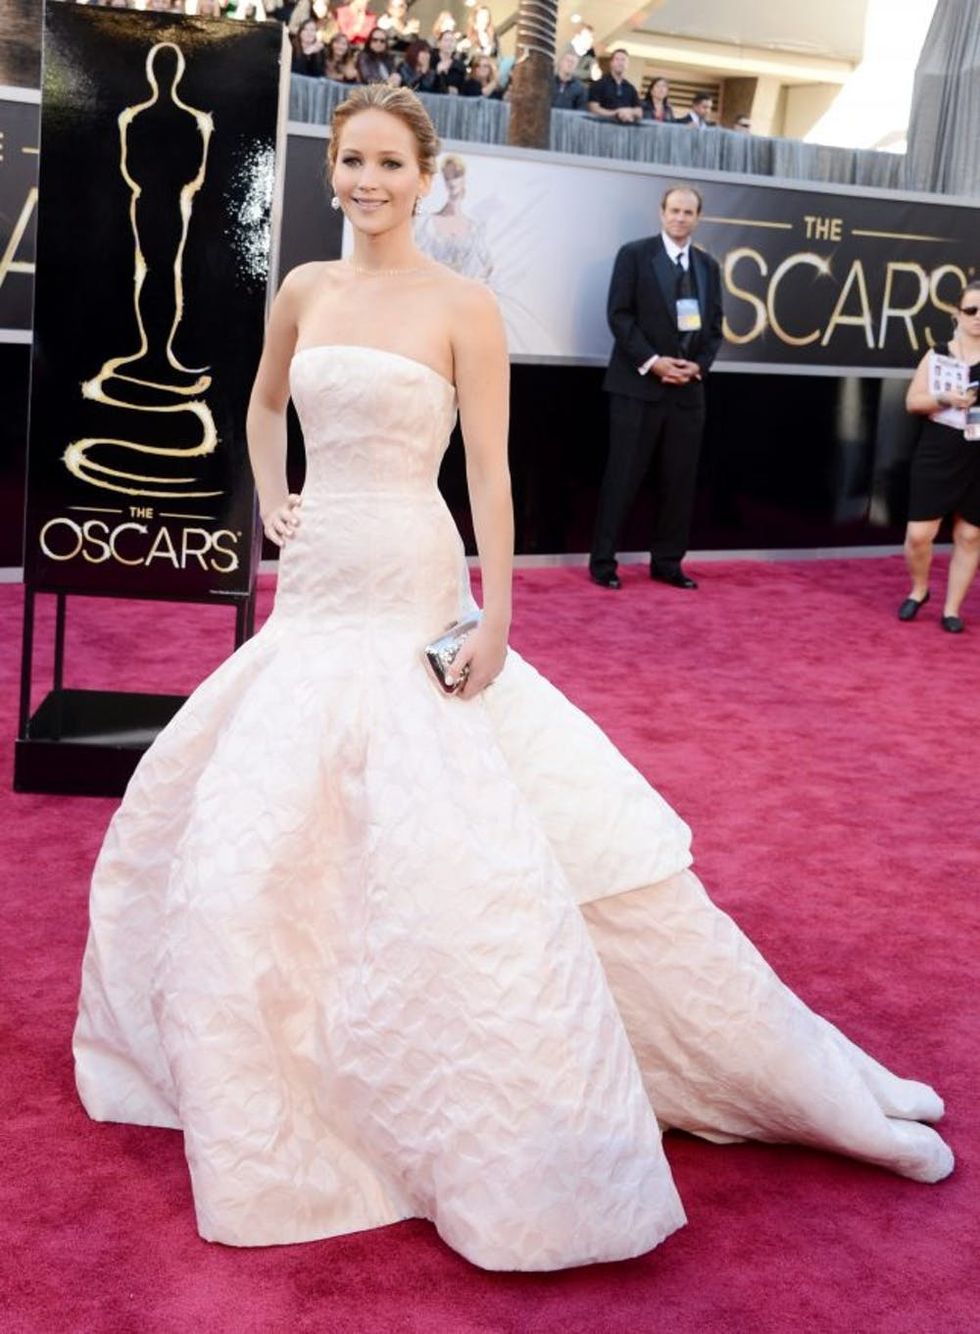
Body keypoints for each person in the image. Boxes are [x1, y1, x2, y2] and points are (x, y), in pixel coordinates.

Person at [74, 85, 953, 1275]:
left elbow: (488, 472)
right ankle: (321, 1073)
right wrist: (271, 496)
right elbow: (266, 396)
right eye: (350, 161)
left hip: (415, 586)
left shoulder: (461, 304)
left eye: (388, 162)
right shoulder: (304, 290)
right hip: (318, 590)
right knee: (268, 833)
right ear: (328, 171)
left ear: (425, 174)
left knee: (493, 844)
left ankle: (804, 1077)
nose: (367, 181)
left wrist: (497, 613)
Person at [590, 184, 722, 590]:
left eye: (688, 212)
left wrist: (694, 367)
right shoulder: (634, 255)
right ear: (661, 213)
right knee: (623, 476)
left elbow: (715, 328)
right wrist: (654, 363)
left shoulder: (707, 266)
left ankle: (667, 563)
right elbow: (620, 316)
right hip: (637, 388)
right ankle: (603, 563)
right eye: (675, 210)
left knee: (679, 481)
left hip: (687, 392)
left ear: (698, 218)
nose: (681, 218)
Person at [898, 280, 980, 633]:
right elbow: (912, 402)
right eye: (972, 310)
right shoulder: (938, 353)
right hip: (938, 448)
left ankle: (952, 609)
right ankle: (919, 589)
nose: (979, 318)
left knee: (971, 536)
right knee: (919, 533)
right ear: (957, 313)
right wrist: (944, 399)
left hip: (978, 453)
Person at [414, 151, 492, 281]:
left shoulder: (475, 228)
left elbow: (488, 265)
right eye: (447, 177)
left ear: (463, 178)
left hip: (462, 295)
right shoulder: (427, 223)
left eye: (456, 176)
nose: (452, 182)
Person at [587, 48, 642, 124]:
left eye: (623, 60)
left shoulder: (631, 88)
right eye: (617, 59)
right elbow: (593, 108)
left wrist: (628, 112)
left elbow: (639, 111)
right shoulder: (598, 84)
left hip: (624, 130)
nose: (620, 63)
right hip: (602, 128)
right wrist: (616, 113)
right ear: (611, 63)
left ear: (627, 64)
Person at [430, 28, 466, 95]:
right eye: (446, 40)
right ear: (439, 43)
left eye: (452, 41)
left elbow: (463, 87)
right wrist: (436, 71)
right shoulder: (431, 60)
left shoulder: (460, 66)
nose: (449, 44)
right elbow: (425, 84)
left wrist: (457, 91)